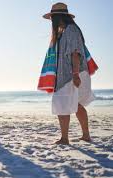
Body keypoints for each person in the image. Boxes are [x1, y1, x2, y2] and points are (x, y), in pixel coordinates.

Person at [43, 2, 96, 144]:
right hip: (69, 74)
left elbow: (75, 53)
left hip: (70, 74)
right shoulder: (64, 31)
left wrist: (75, 74)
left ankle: (65, 138)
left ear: (57, 17)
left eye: (52, 18)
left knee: (62, 104)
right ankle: (85, 135)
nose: (51, 22)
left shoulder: (70, 30)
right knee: (76, 104)